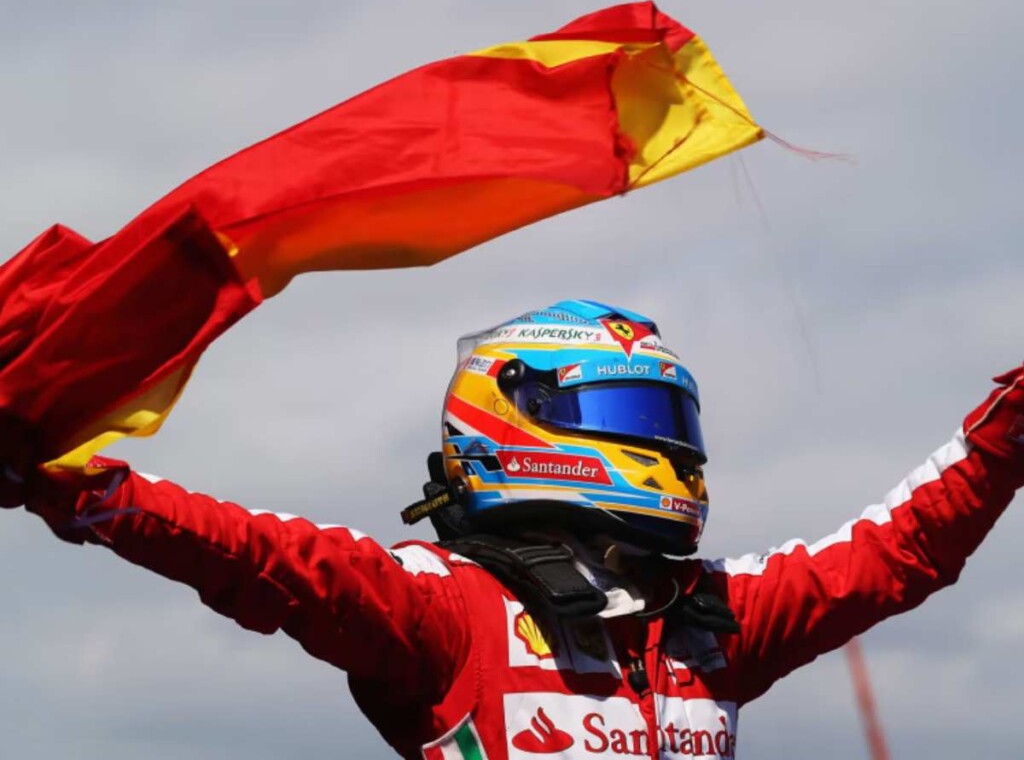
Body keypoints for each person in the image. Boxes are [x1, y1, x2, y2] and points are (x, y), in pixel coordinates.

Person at [3, 298, 1022, 760]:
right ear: (517, 420)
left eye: (672, 423)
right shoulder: (445, 609)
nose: (672, 451)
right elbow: (263, 558)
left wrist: (1011, 426)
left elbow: (900, 552)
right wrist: (78, 487)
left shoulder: (710, 616)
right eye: (633, 420)